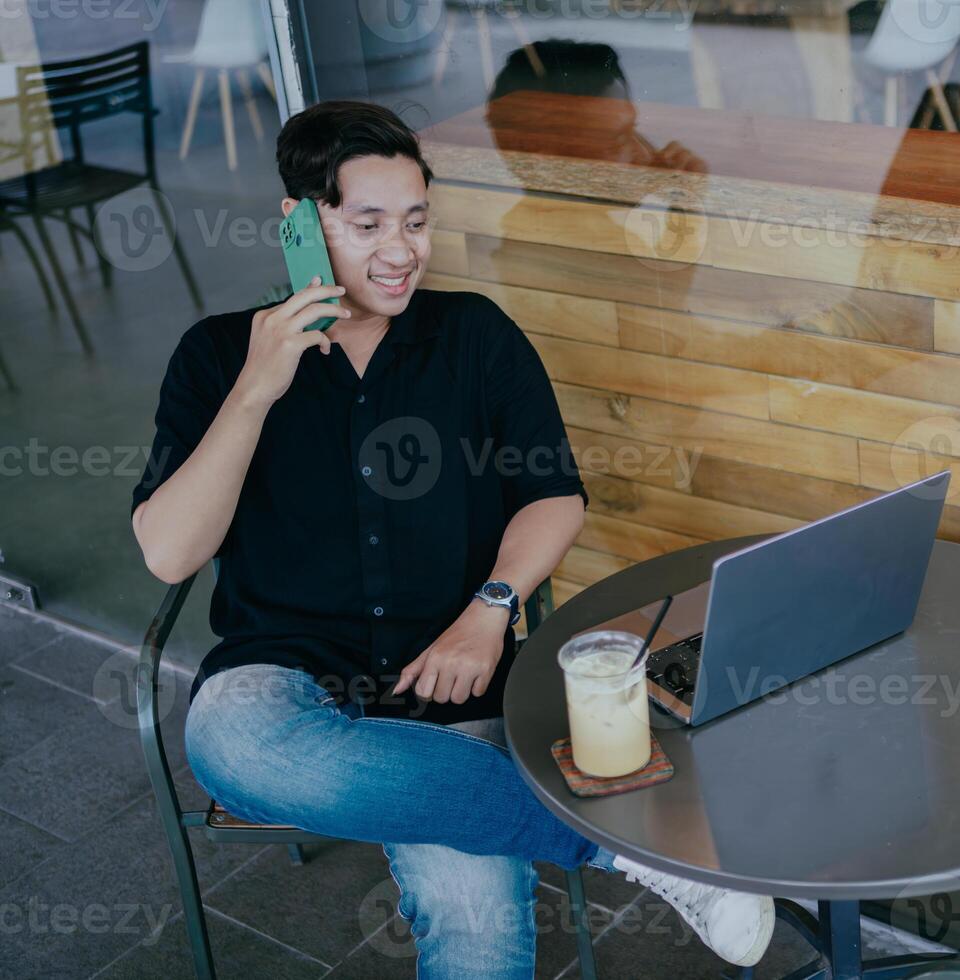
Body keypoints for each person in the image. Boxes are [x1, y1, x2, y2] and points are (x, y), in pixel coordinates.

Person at [130, 99, 774, 978]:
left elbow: (553, 494)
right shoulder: (215, 356)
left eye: (416, 221)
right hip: (281, 674)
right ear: (300, 228)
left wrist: (491, 607)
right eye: (367, 224)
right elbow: (169, 553)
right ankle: (638, 847)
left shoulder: (474, 335)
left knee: (478, 933)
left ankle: (555, 822)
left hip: (453, 680)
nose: (400, 251)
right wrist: (255, 389)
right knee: (237, 743)